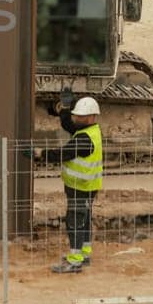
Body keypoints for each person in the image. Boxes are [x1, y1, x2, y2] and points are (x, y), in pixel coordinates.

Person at [50, 96, 103, 274]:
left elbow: (63, 153)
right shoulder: (91, 130)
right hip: (87, 185)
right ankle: (84, 254)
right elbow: (70, 126)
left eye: (81, 117)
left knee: (74, 222)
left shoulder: (84, 139)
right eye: (76, 116)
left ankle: (74, 261)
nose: (77, 119)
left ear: (92, 117)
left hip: (80, 186)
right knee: (84, 219)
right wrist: (64, 111)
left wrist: (38, 154)